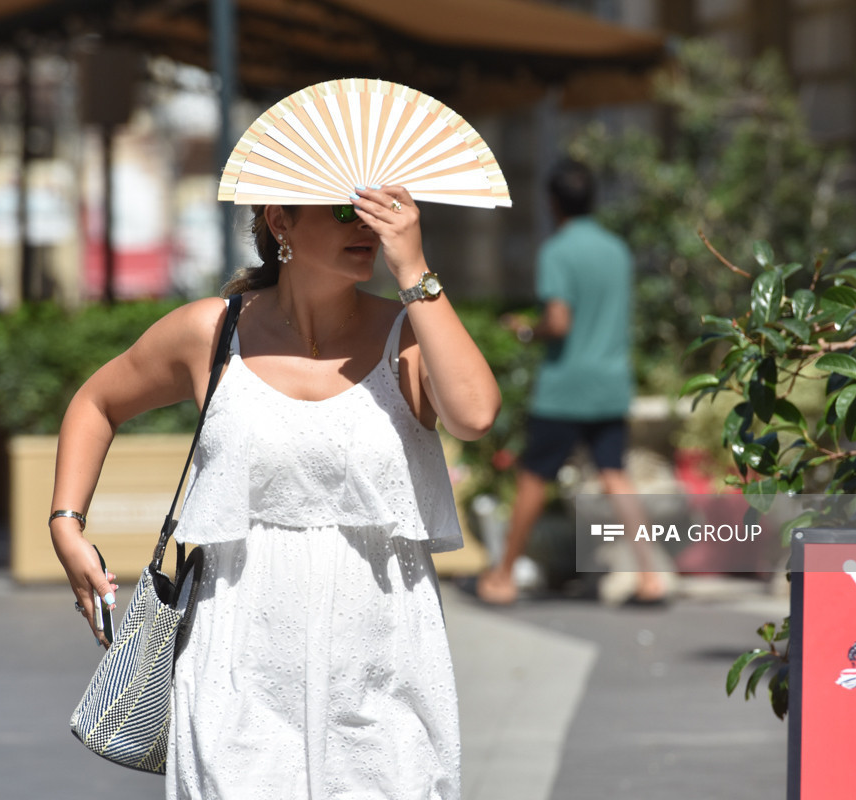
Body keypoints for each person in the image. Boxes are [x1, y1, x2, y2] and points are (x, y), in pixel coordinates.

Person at [50, 185, 500, 798]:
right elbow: (96, 402)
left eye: (380, 210)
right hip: (239, 648)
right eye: (346, 209)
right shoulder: (212, 332)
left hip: (384, 654)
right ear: (280, 219)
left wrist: (415, 270)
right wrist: (65, 525)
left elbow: (475, 415)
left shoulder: (410, 333)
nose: (366, 225)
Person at [476, 159, 668, 606]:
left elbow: (559, 321)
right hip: (610, 383)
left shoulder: (558, 251)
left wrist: (527, 330)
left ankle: (503, 576)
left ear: (553, 203)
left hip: (566, 388)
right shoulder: (617, 249)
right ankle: (649, 577)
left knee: (533, 477)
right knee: (616, 475)